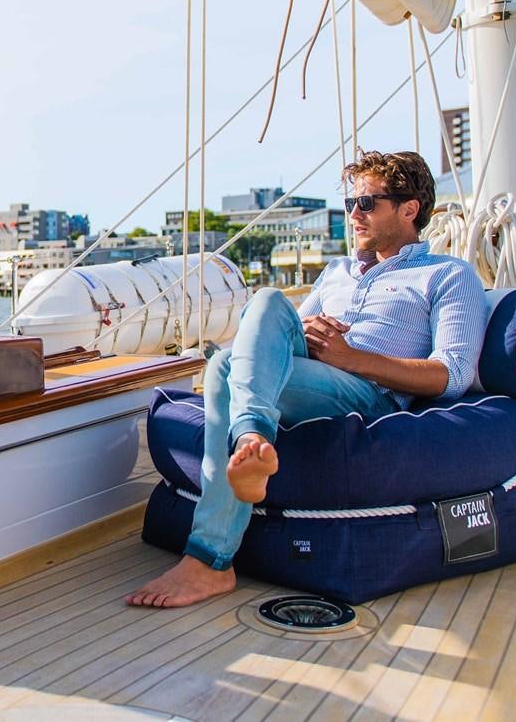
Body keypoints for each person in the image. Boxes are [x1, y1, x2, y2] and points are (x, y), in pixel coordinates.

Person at [127, 150, 487, 608]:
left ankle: (211, 554)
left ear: (409, 208)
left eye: (367, 203)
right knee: (263, 309)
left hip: (370, 394)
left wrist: (349, 356)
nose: (354, 214)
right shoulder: (336, 272)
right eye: (350, 204)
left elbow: (451, 376)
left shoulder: (447, 275)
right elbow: (271, 340)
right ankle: (250, 445)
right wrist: (308, 328)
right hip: (313, 374)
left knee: (224, 367)